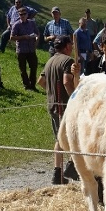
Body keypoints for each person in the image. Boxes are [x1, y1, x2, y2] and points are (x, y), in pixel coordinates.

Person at [39, 34, 77, 185]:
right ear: (67, 46)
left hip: (52, 104)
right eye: (71, 45)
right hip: (65, 105)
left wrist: (52, 92)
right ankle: (71, 167)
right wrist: (75, 97)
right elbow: (67, 81)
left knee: (59, 138)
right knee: (73, 136)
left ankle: (58, 173)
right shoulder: (68, 61)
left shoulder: (50, 61)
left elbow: (41, 81)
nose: (72, 47)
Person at [10, 7, 40, 90]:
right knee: (23, 69)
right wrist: (23, 37)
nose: (22, 16)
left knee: (33, 67)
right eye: (21, 14)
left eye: (24, 14)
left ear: (27, 15)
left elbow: (37, 33)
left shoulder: (32, 23)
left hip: (31, 49)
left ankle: (32, 85)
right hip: (21, 50)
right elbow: (12, 37)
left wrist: (36, 41)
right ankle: (26, 85)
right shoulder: (16, 25)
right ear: (19, 15)